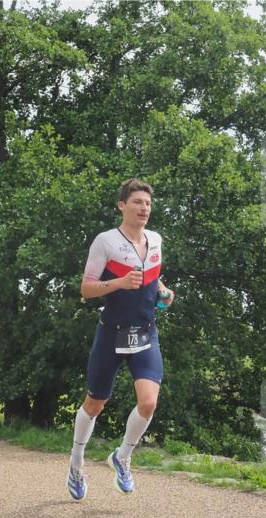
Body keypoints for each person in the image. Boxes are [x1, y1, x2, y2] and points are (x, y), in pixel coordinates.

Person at [66, 178, 175, 501]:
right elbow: (86, 289)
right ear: (122, 206)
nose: (144, 208)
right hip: (111, 334)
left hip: (145, 332)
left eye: (148, 204)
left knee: (149, 402)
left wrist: (165, 294)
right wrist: (119, 283)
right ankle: (76, 463)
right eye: (138, 202)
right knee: (95, 403)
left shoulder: (155, 240)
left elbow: (154, 282)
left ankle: (123, 457)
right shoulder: (106, 242)